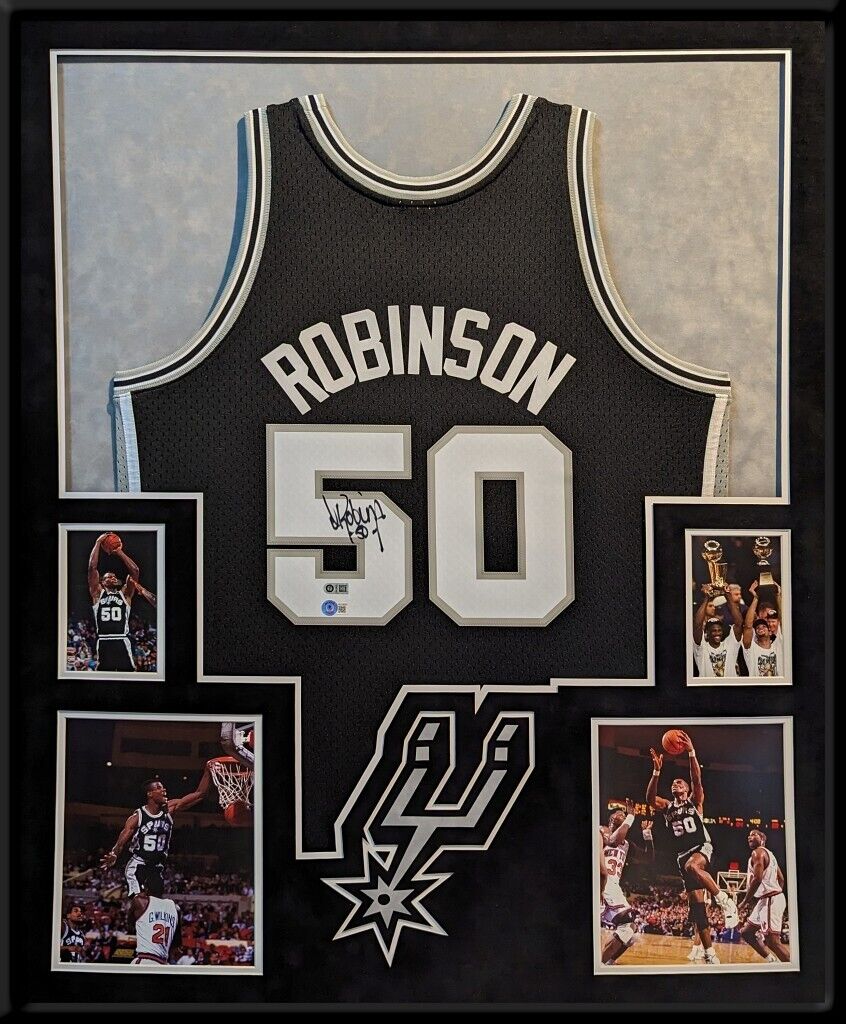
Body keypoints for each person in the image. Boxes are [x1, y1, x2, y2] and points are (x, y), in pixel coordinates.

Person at [646, 732, 739, 965]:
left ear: (687, 789)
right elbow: (650, 799)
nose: (675, 784)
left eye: (680, 783)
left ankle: (725, 900)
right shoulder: (668, 807)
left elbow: (696, 779)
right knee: (698, 910)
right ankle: (709, 953)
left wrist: (691, 753)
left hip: (701, 848)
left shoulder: (694, 802)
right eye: (673, 783)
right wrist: (656, 772)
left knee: (692, 866)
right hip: (682, 857)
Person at [100, 766, 213, 897]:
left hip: (157, 867)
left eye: (163, 787)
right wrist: (114, 853)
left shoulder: (171, 808)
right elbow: (122, 839)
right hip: (138, 865)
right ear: (150, 794)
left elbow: (200, 793)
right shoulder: (138, 816)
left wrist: (207, 772)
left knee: (154, 904)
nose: (163, 790)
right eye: (159, 788)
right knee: (140, 901)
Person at [599, 798, 653, 964]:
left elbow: (648, 858)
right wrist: (630, 817)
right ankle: (600, 964)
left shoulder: (628, 845)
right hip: (604, 882)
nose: (621, 814)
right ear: (611, 819)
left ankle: (608, 962)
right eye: (618, 813)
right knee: (628, 926)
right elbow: (613, 841)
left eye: (624, 814)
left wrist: (647, 835)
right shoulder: (602, 830)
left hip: (613, 885)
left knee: (631, 932)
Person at [738, 829, 790, 963]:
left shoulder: (758, 852)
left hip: (770, 899)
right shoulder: (770, 855)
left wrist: (745, 901)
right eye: (749, 835)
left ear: (762, 839)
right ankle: (771, 959)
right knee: (746, 933)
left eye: (753, 834)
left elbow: (757, 879)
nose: (749, 837)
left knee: (772, 941)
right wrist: (776, 893)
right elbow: (781, 878)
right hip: (768, 899)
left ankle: (791, 967)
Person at [692, 584, 743, 678]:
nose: (717, 633)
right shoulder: (702, 648)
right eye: (713, 630)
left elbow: (739, 623)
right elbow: (697, 625)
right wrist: (707, 598)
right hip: (709, 687)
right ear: (707, 632)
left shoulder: (729, 645)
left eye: (719, 630)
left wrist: (728, 596)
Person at [129, 887, 181, 965]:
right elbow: (176, 946)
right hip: (162, 963)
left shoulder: (141, 902)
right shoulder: (175, 908)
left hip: (145, 959)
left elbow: (130, 923)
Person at [742, 581, 783, 678]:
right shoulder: (751, 647)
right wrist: (756, 598)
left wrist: (778, 595)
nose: (762, 627)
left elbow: (784, 619)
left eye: (764, 626)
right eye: (758, 626)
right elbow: (748, 626)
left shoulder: (778, 643)